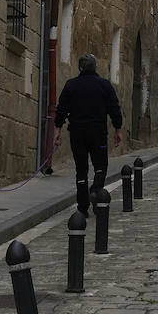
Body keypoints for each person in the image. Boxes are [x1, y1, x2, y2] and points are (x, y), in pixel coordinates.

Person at [53, 53, 124, 216]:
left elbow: (61, 109)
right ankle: (96, 190)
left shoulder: (71, 85)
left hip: (77, 133)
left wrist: (57, 131)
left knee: (81, 168)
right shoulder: (104, 85)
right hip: (98, 132)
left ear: (80, 68)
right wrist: (118, 130)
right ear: (95, 67)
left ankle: (82, 207)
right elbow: (114, 108)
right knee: (101, 166)